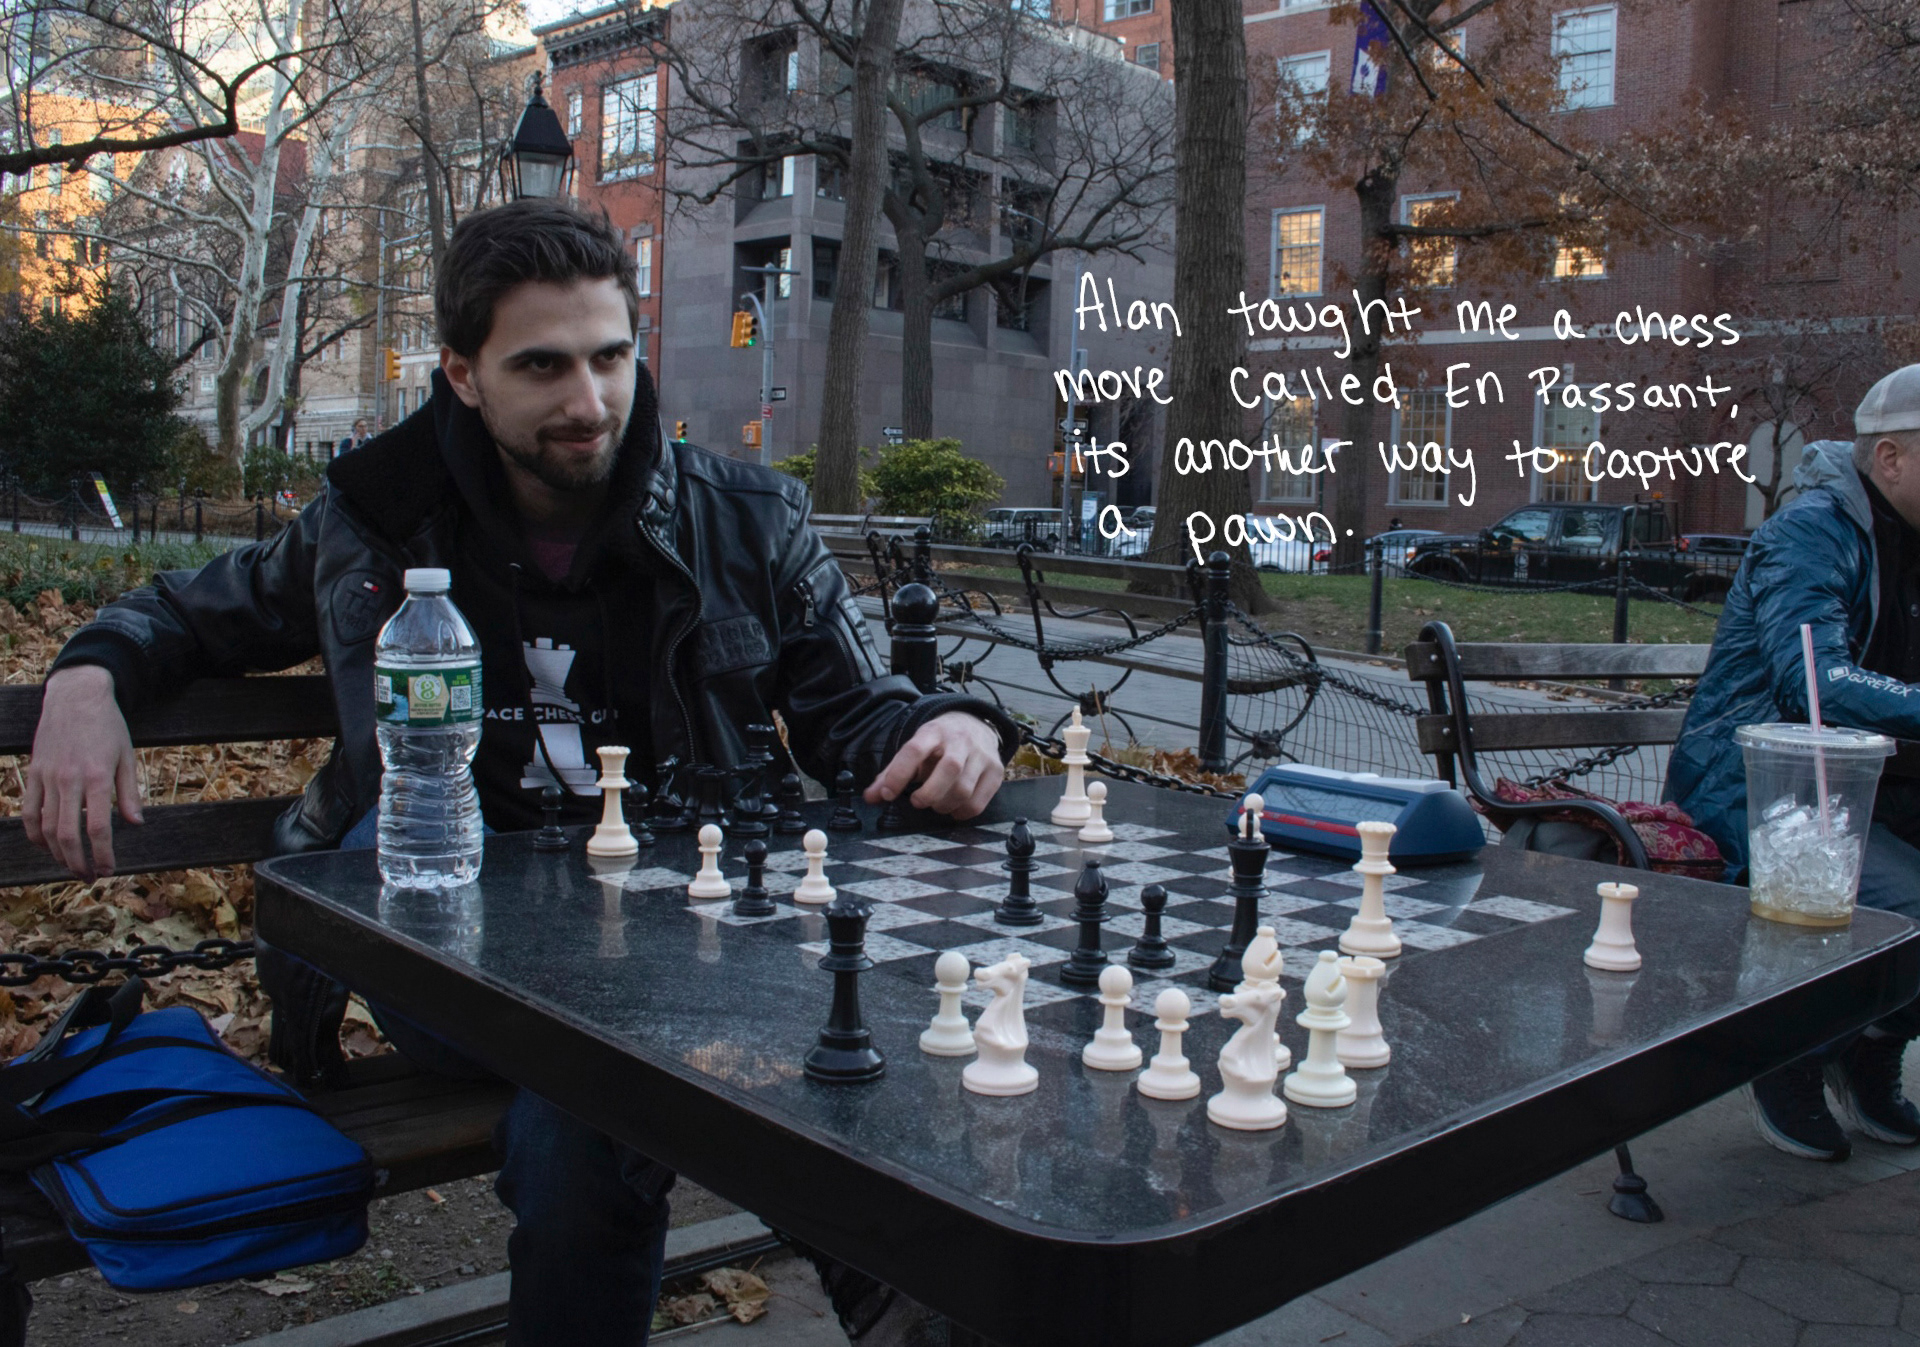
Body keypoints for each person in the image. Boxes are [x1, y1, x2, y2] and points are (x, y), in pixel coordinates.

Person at [20, 198, 1015, 1345]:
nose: (588, 402)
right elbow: (193, 612)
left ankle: (911, 1296)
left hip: (687, 937)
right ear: (462, 373)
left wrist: (950, 727)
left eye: (610, 357)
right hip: (453, 941)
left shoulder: (745, 518)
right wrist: (86, 681)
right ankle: (895, 1292)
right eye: (542, 366)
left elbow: (856, 713)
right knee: (625, 1079)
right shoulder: (377, 522)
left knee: (598, 1111)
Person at [1667, 363, 1920, 1164]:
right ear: (1891, 458)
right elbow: (1814, 680)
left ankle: (1869, 1044)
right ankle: (1793, 1052)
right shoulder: (1812, 531)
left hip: (1869, 784)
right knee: (1910, 910)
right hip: (1760, 784)